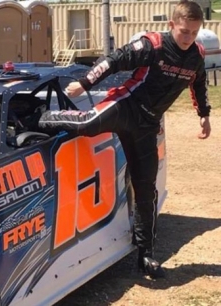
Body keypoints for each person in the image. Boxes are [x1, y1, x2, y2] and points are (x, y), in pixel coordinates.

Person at [38, 0, 211, 279]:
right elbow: (114, 60)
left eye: (194, 32)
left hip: (147, 126)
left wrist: (204, 114)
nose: (188, 37)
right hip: (125, 106)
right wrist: (85, 83)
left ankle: (146, 254)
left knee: (146, 189)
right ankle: (39, 118)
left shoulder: (197, 55)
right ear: (171, 25)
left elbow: (199, 83)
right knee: (86, 123)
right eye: (183, 31)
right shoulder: (152, 45)